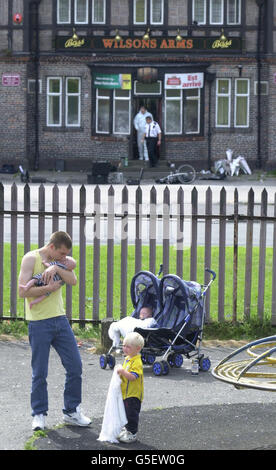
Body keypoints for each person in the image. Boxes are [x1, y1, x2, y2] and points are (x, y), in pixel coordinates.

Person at [18, 231, 91, 431]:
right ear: (52, 247)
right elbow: (22, 291)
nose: (64, 257)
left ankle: (71, 411)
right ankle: (39, 414)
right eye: (61, 254)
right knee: (39, 372)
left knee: (75, 366)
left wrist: (57, 267)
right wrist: (48, 287)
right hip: (38, 323)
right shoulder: (30, 258)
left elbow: (73, 280)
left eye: (66, 255)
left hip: (60, 320)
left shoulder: (60, 262)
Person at [116, 332, 145, 443]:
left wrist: (122, 371)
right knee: (125, 411)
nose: (125, 348)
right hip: (126, 393)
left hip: (133, 394)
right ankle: (127, 429)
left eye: (128, 346)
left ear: (137, 349)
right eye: (124, 345)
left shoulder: (137, 362)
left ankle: (132, 432)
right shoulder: (128, 358)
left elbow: (133, 377)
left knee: (131, 413)